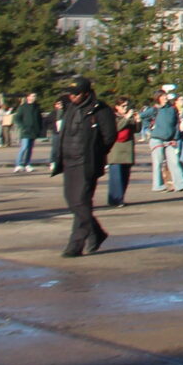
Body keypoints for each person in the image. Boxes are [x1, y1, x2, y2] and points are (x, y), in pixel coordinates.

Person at [54, 76, 117, 258]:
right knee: (72, 200)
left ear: (87, 93)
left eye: (76, 93)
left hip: (86, 162)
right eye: (70, 93)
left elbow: (109, 136)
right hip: (69, 160)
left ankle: (75, 245)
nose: (72, 96)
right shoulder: (71, 107)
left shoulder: (100, 109)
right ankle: (96, 232)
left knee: (81, 201)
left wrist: (96, 153)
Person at [143, 89, 183, 191]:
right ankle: (158, 185)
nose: (165, 98)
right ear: (158, 98)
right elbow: (142, 117)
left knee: (174, 161)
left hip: (170, 140)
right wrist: (149, 126)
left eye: (165, 96)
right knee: (158, 162)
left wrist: (175, 137)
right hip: (156, 139)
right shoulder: (154, 109)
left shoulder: (172, 109)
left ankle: (180, 185)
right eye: (162, 96)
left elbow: (176, 124)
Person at [107, 96, 137, 207]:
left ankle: (120, 198)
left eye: (127, 105)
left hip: (127, 150)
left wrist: (137, 121)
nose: (125, 108)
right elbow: (116, 128)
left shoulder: (129, 117)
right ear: (117, 107)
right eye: (123, 106)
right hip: (116, 150)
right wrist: (126, 118)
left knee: (125, 176)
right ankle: (115, 199)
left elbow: (136, 130)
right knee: (116, 177)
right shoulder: (113, 117)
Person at [12, 90, 42, 172]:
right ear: (28, 97)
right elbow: (17, 118)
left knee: (30, 148)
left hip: (34, 131)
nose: (33, 98)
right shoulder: (23, 107)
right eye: (32, 96)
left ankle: (27, 164)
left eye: (35, 96)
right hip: (25, 131)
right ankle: (19, 164)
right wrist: (22, 127)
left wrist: (39, 129)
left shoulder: (37, 107)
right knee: (24, 147)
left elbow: (39, 119)